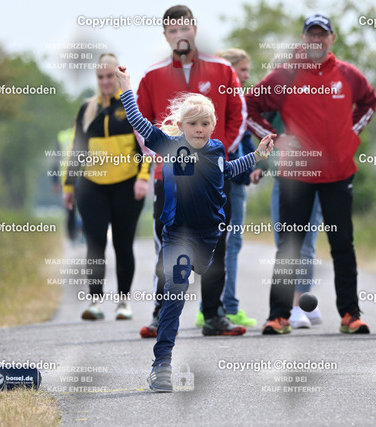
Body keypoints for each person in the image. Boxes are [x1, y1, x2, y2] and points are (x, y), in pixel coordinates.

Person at [116, 65, 274, 392]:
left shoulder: (216, 149)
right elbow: (138, 122)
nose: (199, 130)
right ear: (181, 126)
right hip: (177, 233)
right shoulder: (169, 145)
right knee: (175, 293)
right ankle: (161, 365)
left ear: (212, 126)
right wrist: (126, 86)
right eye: (193, 124)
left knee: (201, 269)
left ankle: (196, 272)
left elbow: (228, 170)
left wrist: (257, 156)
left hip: (210, 234)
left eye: (205, 124)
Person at [246, 14, 376, 335]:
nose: (317, 40)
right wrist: (274, 139)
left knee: (342, 244)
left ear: (332, 38)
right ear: (304, 38)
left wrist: (350, 135)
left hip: (338, 173)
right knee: (289, 246)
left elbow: (370, 102)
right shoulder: (286, 74)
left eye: (322, 34)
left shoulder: (348, 74)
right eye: (311, 35)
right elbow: (249, 105)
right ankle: (279, 316)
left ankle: (350, 315)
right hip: (296, 174)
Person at [135, 5, 248, 338]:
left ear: (194, 30)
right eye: (172, 30)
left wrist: (214, 157)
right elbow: (141, 125)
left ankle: (213, 315)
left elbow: (238, 116)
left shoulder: (222, 69)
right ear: (165, 35)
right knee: (168, 247)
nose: (179, 35)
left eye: (184, 28)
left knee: (216, 246)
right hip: (169, 179)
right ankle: (161, 313)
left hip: (213, 181)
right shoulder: (152, 75)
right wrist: (165, 157)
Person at [62, 53, 150, 321]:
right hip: (93, 187)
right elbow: (77, 149)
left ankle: (123, 302)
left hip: (127, 185)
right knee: (95, 245)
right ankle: (95, 301)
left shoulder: (132, 105)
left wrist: (143, 178)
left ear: (118, 76)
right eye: (100, 77)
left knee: (123, 244)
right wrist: (69, 185)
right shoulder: (87, 109)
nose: (105, 81)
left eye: (110, 76)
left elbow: (146, 146)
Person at [251, 119, 324, 329]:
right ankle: (293, 303)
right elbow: (271, 132)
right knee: (284, 243)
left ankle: (300, 305)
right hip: (283, 178)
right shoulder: (279, 102)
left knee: (306, 243)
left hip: (315, 177)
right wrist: (262, 165)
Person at [215, 48, 257, 327]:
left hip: (231, 176)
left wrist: (253, 163)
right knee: (230, 243)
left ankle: (210, 306)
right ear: (230, 70)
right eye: (242, 70)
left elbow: (245, 140)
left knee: (219, 243)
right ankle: (227, 306)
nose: (247, 75)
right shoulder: (231, 100)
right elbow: (236, 139)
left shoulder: (224, 98)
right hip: (230, 178)